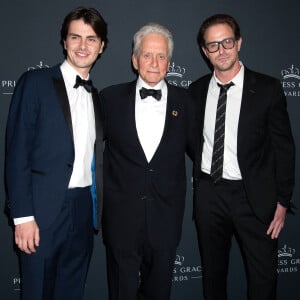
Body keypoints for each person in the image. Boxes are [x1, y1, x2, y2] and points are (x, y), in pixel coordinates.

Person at [189, 13, 295, 300]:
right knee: (213, 278)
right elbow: (191, 142)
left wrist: (283, 201)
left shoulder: (268, 89)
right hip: (210, 195)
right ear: (204, 51)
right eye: (213, 45)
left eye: (226, 42)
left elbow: (284, 149)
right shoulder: (195, 91)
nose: (221, 50)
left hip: (255, 198)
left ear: (239, 43)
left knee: (262, 280)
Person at [5, 7, 107, 300]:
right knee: (37, 292)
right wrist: (22, 216)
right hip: (41, 211)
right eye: (75, 37)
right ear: (64, 42)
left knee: (71, 292)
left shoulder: (96, 97)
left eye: (91, 38)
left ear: (101, 46)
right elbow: (17, 153)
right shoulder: (35, 82)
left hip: (83, 209)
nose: (83, 45)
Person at [99, 23, 194, 300]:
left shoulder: (186, 102)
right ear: (134, 59)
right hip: (121, 221)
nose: (154, 63)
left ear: (169, 61)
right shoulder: (109, 99)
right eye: (147, 55)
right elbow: (84, 150)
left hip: (165, 220)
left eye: (162, 56)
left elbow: (204, 152)